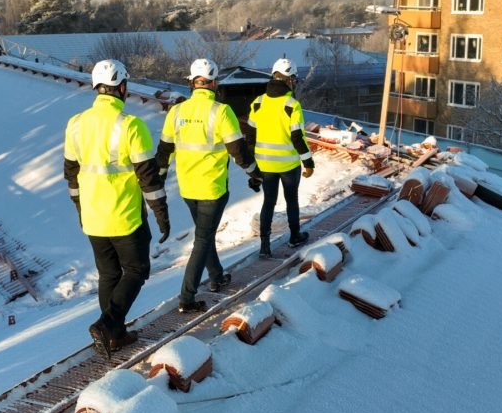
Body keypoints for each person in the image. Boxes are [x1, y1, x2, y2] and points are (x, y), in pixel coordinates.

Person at [64, 59, 170, 357]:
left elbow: (71, 173)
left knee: (108, 274)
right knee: (136, 270)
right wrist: (161, 213)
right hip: (125, 216)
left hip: (92, 215)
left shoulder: (75, 124)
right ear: (122, 87)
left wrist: (79, 206)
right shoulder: (131, 125)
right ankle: (107, 324)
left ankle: (116, 335)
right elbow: (148, 176)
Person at [156, 58, 261, 313]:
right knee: (202, 240)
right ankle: (187, 297)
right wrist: (255, 173)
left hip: (187, 187)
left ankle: (216, 276)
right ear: (214, 83)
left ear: (192, 82)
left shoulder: (176, 112)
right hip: (212, 188)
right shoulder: (221, 111)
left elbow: (164, 151)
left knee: (205, 234)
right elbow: (238, 151)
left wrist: (157, 180)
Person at [244, 57, 314, 258]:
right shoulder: (292, 105)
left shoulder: (258, 103)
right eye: (294, 79)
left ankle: (265, 247)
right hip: (289, 165)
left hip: (265, 164)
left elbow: (250, 136)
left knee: (269, 201)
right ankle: (294, 237)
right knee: (291, 200)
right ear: (290, 80)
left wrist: (252, 167)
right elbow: (297, 138)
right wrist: (308, 162)